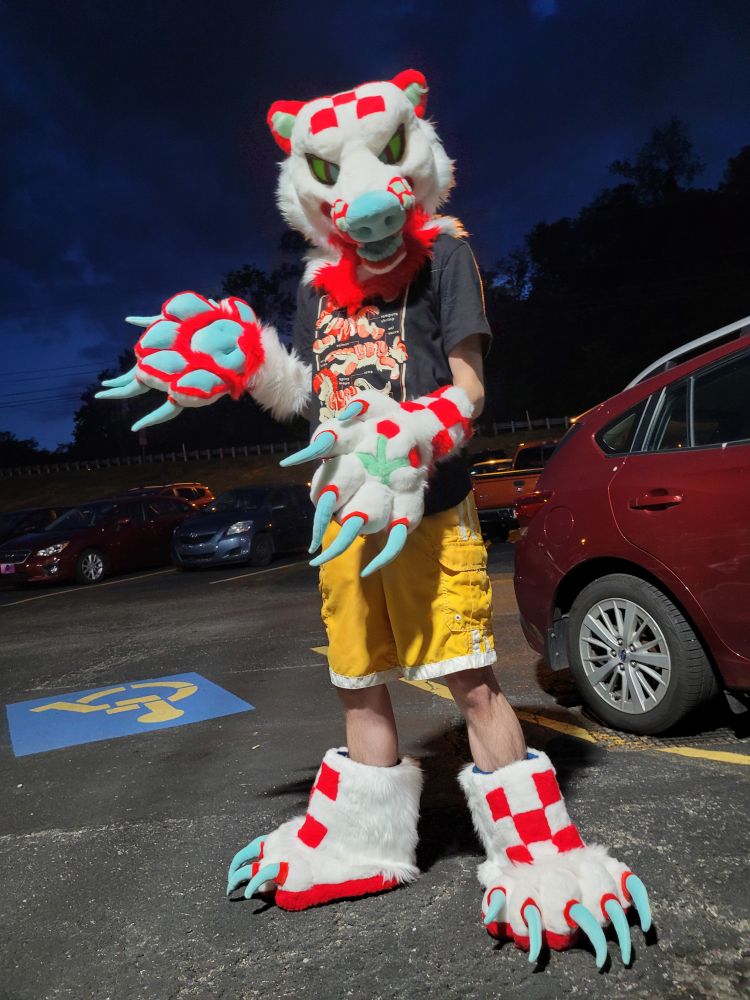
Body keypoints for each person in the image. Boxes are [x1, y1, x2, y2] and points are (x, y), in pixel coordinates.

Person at [99, 69, 651, 966]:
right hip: (341, 512)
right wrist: (247, 363)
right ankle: (365, 844)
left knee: (470, 679)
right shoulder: (320, 284)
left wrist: (419, 429)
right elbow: (310, 401)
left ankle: (541, 856)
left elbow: (469, 387)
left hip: (428, 506)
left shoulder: (449, 258)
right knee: (358, 682)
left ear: (416, 144)